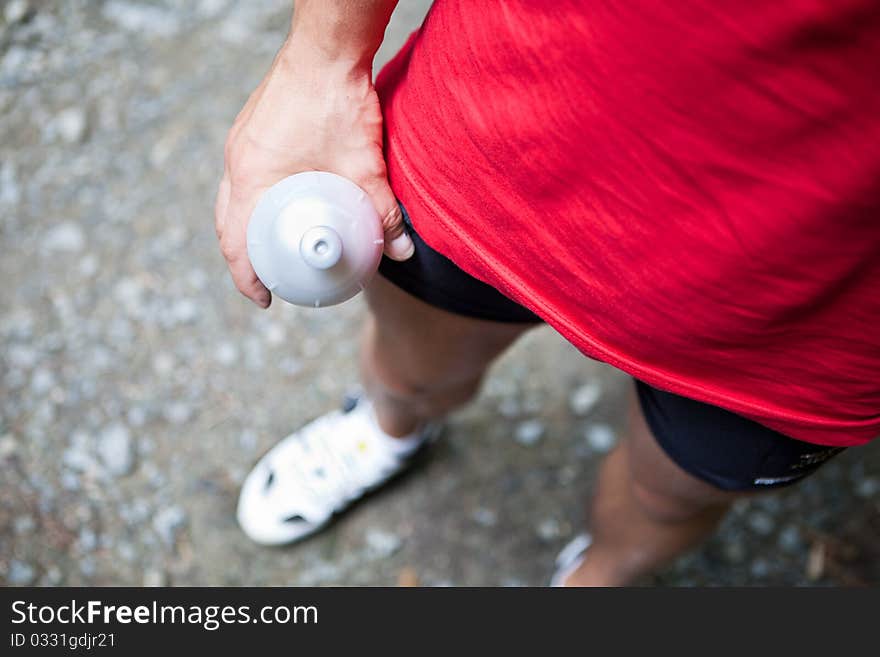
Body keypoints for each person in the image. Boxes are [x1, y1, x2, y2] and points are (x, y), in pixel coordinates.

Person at [214, 1, 880, 585]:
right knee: (410, 370)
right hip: (498, 140)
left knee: (666, 498)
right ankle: (388, 430)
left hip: (813, 311)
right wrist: (321, 62)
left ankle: (597, 581)